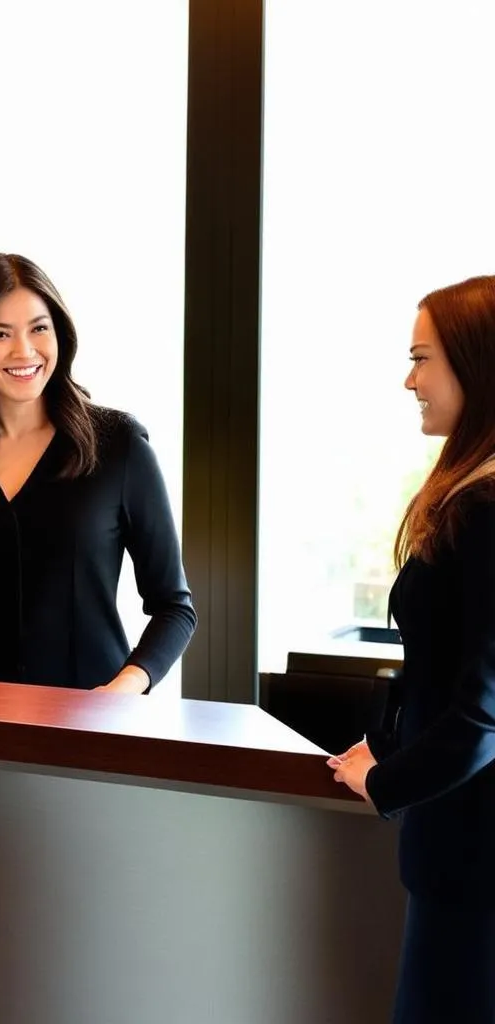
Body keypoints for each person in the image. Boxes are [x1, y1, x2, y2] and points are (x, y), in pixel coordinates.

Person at [0, 253, 196, 692]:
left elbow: (174, 608)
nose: (23, 351)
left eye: (38, 328)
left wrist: (121, 692)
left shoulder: (118, 445)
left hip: (90, 730)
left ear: (59, 333)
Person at [330, 275, 495, 1022]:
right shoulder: (472, 493)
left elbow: (480, 720)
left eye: (423, 358)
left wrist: (385, 779)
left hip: (476, 868)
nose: (411, 380)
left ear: (477, 364)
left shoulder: (490, 509)